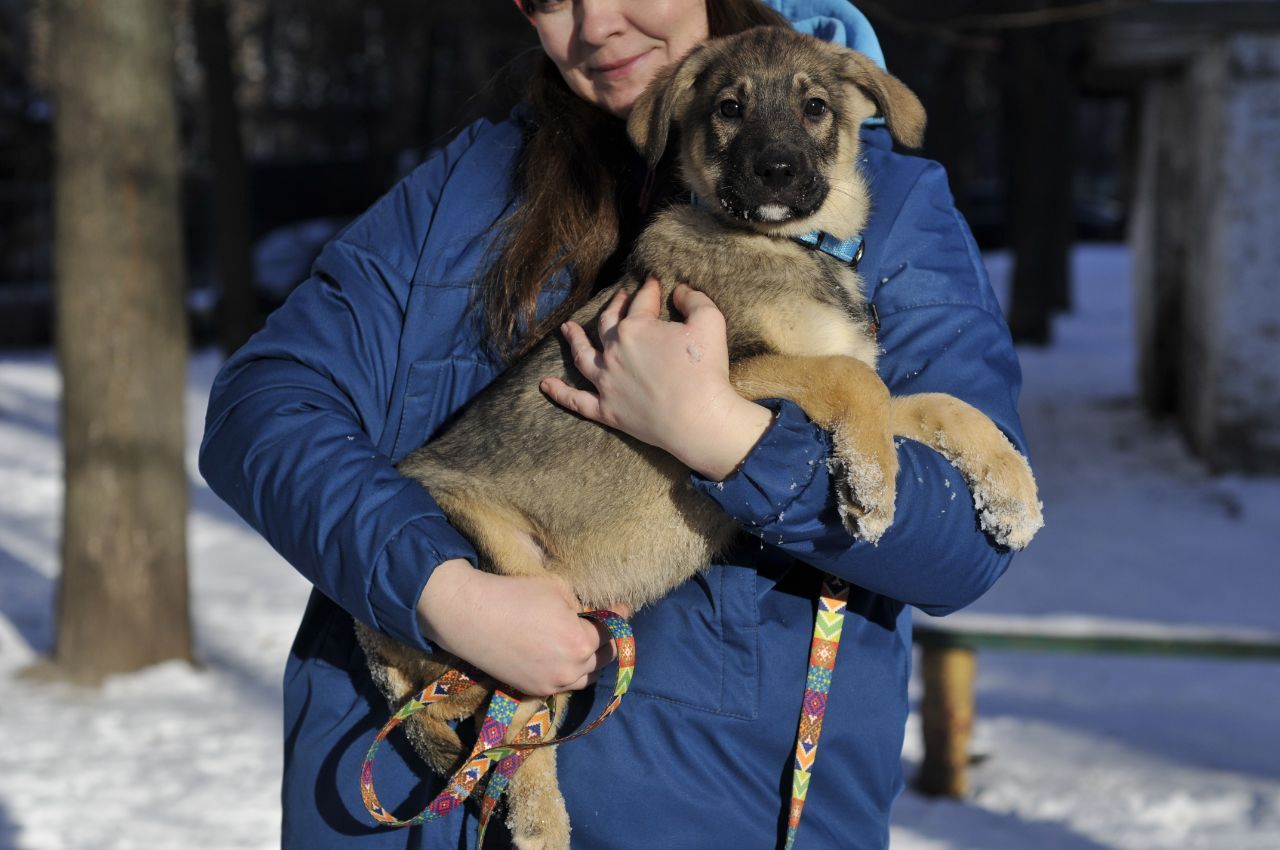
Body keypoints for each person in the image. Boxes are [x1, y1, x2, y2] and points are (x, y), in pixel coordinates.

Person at [199, 0, 1030, 847]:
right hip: (405, 805)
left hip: (706, 818)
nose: (596, 26)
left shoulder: (888, 212)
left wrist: (728, 438)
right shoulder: (468, 187)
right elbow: (260, 410)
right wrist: (441, 592)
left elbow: (968, 540)